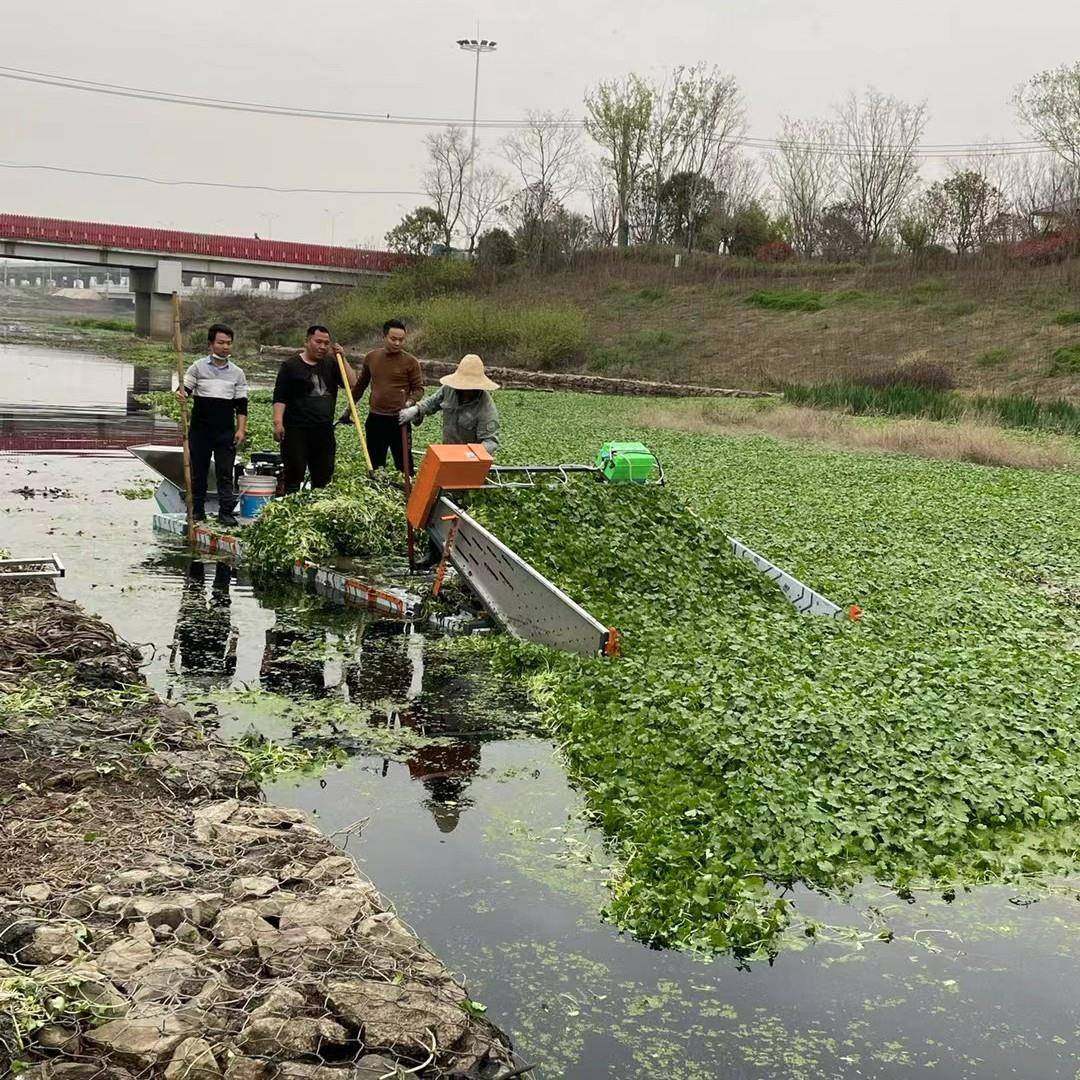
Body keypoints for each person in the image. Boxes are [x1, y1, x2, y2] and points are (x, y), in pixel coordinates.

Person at [272, 325, 359, 493]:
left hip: (323, 430)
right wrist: (278, 423)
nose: (322, 346)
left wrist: (343, 358)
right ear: (307, 341)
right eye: (318, 342)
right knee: (294, 475)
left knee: (323, 477)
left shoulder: (331, 363)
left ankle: (316, 504)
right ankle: (292, 504)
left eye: (326, 343)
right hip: (296, 430)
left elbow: (352, 383)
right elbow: (280, 397)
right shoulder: (290, 366)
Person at [178, 323, 247, 525]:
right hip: (200, 431)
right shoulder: (197, 367)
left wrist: (241, 429)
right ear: (210, 344)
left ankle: (225, 513)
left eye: (228, 343)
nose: (225, 347)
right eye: (221, 343)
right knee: (199, 472)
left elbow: (242, 405)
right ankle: (197, 511)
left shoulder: (237, 373)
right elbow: (184, 389)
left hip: (225, 432)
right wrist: (181, 395)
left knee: (225, 473)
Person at [348, 319, 424, 473]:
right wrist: (349, 409)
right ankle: (379, 484)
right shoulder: (371, 357)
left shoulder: (411, 362)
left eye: (401, 340)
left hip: (400, 419)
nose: (397, 343)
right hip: (376, 418)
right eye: (393, 339)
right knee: (376, 465)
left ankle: (406, 486)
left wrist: (409, 403)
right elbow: (360, 386)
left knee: (405, 465)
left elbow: (419, 389)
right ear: (384, 337)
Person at [398, 353, 500, 456]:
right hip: (447, 451)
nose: (466, 390)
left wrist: (472, 455)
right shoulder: (449, 389)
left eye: (470, 387)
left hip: (471, 457)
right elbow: (432, 402)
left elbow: (490, 441)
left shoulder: (486, 407)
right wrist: (415, 409)